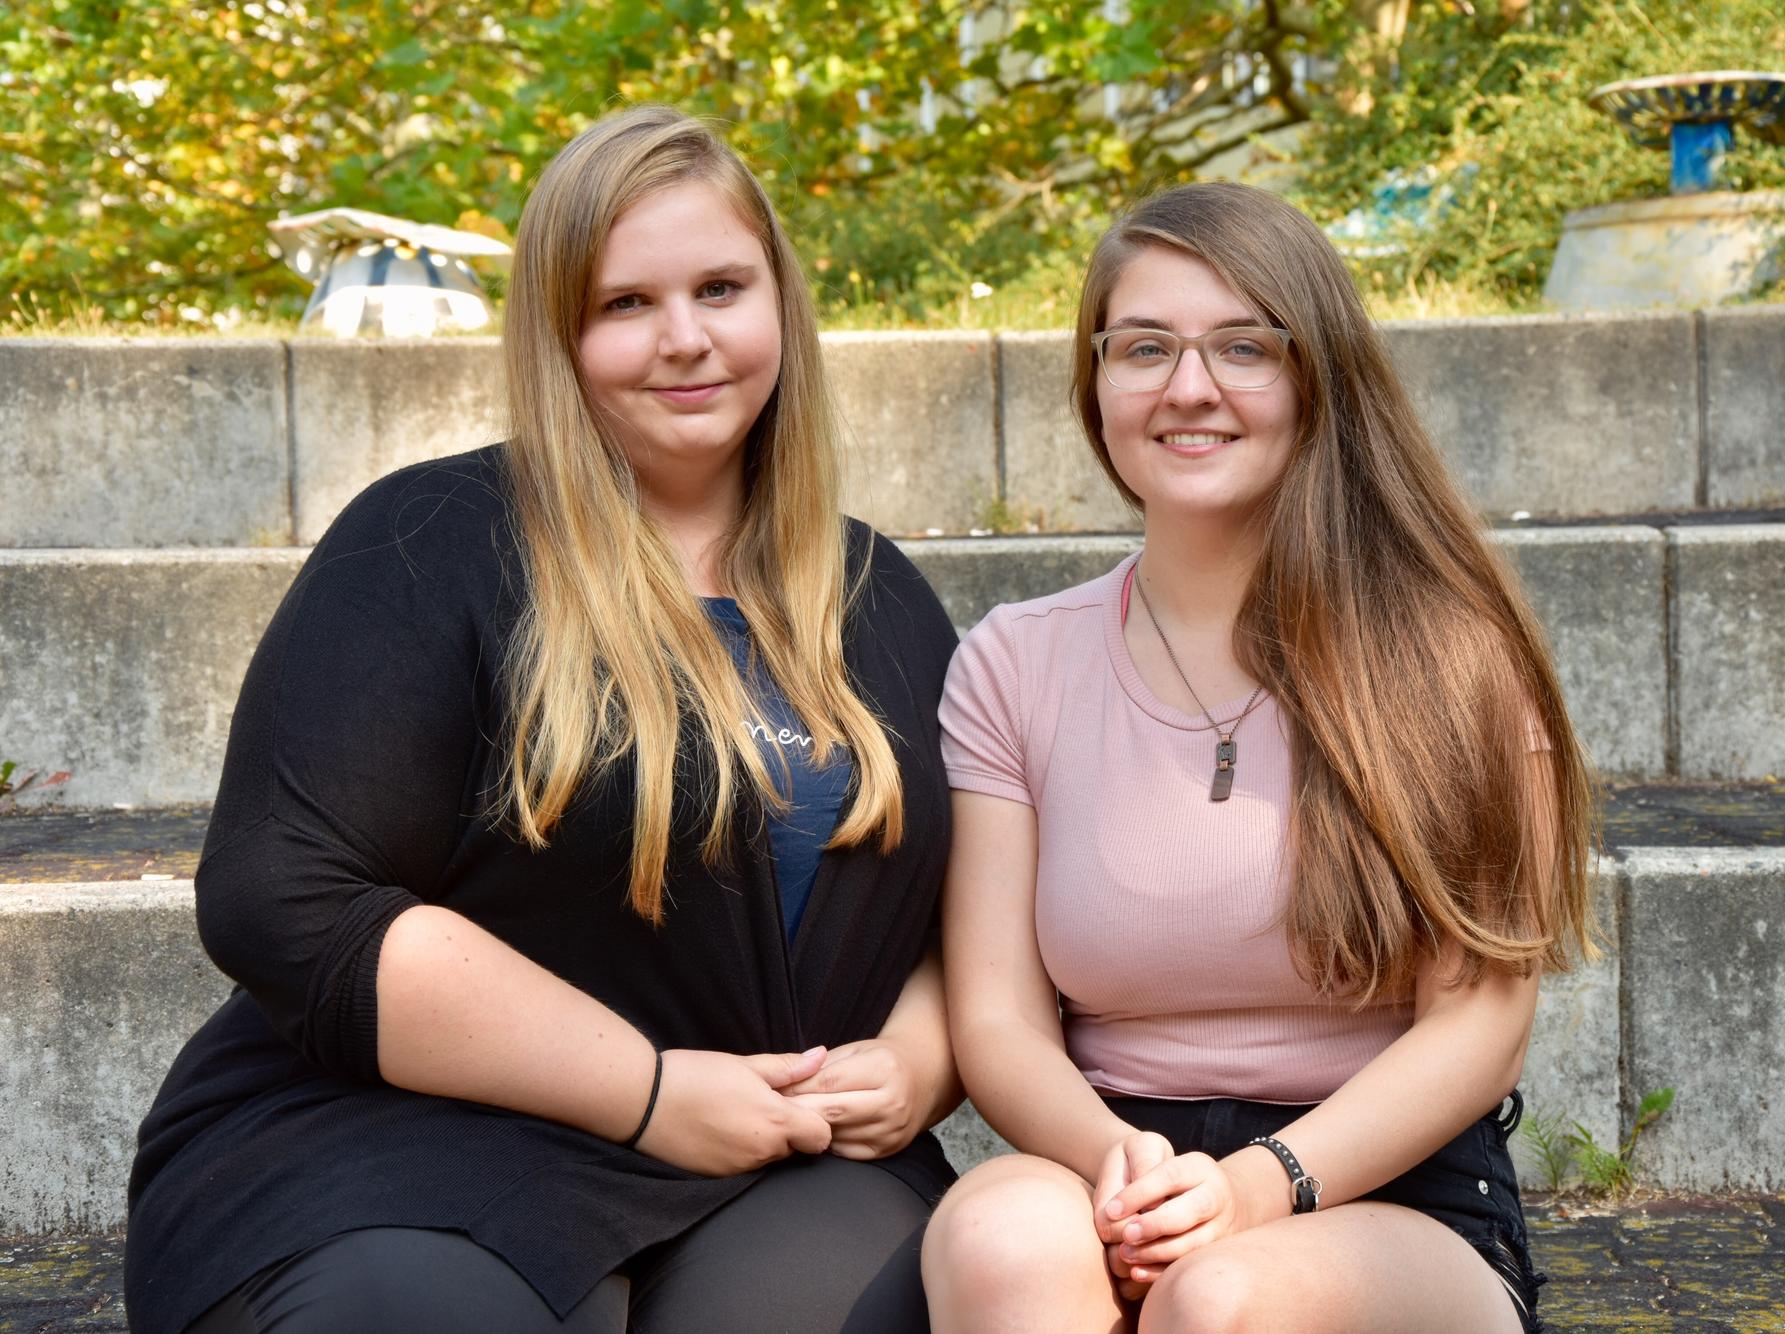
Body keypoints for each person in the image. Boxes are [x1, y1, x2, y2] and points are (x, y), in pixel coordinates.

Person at [125, 104, 962, 1334]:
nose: (685, 338)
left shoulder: (874, 591)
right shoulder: (429, 541)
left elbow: (973, 898)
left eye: (721, 287)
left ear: (777, 302)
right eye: (625, 304)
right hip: (403, 1135)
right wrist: (644, 1088)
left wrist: (923, 1057)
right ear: (557, 335)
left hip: (776, 1154)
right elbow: (284, 893)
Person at [922, 181, 1595, 1333]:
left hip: (1386, 1188)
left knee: (1222, 1299)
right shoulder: (1013, 662)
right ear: (1096, 382)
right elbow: (994, 1019)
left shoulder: (1453, 658)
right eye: (1143, 346)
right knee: (996, 1240)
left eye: (1242, 344)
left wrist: (1253, 1185)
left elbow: (1478, 1023)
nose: (1188, 386)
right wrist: (1129, 1171)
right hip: (1115, 1165)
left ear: (1313, 374)